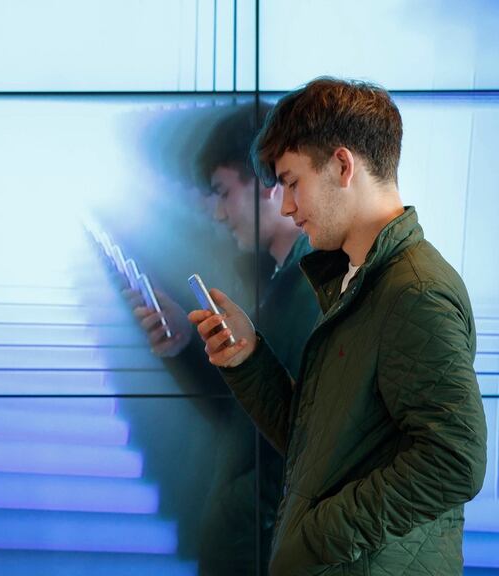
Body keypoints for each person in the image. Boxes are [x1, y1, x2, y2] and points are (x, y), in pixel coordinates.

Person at [189, 78, 487, 575]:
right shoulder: (355, 280)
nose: (284, 205)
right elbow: (316, 444)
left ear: (343, 166)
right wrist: (248, 358)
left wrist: (319, 537)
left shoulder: (412, 290)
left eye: (292, 182)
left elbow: (455, 460)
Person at [135, 103, 321, 575]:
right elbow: (248, 418)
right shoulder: (278, 284)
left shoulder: (309, 294)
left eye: (222, 192)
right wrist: (188, 347)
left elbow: (296, 449)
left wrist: (237, 519)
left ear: (265, 182)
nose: (217, 213)